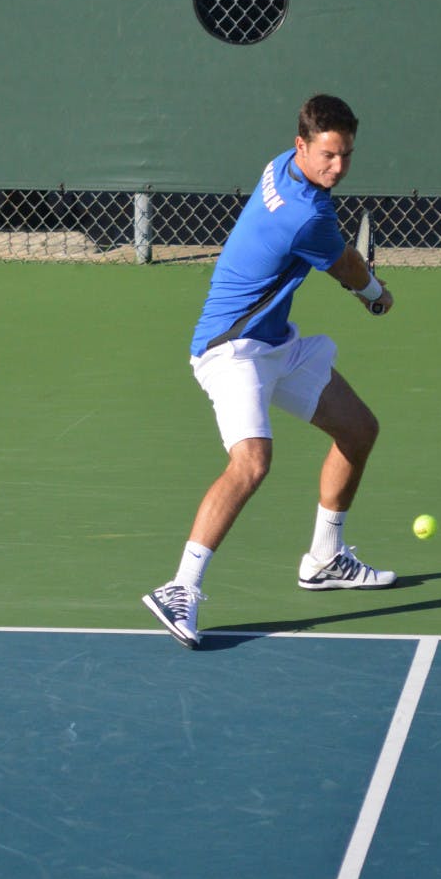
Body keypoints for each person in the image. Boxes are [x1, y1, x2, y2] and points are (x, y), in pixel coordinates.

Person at [143, 94, 396, 649]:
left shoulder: (282, 164)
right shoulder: (307, 215)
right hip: (231, 350)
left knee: (358, 429)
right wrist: (377, 295)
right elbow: (347, 267)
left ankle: (326, 557)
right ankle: (180, 587)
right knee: (252, 462)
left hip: (274, 342)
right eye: (329, 155)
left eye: (347, 155)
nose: (339, 167)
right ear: (302, 145)